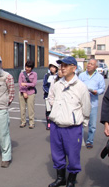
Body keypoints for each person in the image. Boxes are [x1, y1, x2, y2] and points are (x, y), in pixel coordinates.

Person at [48, 56, 91, 187]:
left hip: (72, 128)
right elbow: (51, 97)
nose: (62, 67)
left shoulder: (81, 87)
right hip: (56, 125)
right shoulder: (56, 84)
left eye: (66, 65)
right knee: (57, 154)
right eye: (61, 65)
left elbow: (86, 108)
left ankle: (71, 180)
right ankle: (61, 178)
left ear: (74, 67)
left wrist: (81, 123)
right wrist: (55, 110)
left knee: (73, 156)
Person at [79, 59, 105, 149]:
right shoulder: (81, 75)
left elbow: (102, 89)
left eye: (92, 64)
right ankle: (79, 140)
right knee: (80, 122)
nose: (89, 65)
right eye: (88, 63)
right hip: (82, 103)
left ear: (96, 67)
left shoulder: (100, 77)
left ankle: (90, 141)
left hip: (93, 103)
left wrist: (96, 92)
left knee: (92, 125)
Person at [18, 60, 37, 129]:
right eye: (26, 67)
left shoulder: (34, 74)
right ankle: (23, 122)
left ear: (32, 68)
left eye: (29, 67)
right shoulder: (22, 74)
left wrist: (26, 84)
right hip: (22, 92)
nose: (27, 69)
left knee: (30, 109)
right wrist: (24, 92)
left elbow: (34, 84)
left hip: (31, 93)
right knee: (22, 108)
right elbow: (20, 84)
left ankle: (31, 123)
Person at [43, 62, 58, 130]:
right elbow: (44, 86)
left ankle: (55, 123)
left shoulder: (58, 76)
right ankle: (48, 123)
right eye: (51, 67)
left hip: (57, 96)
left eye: (54, 67)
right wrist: (49, 93)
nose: (52, 69)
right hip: (47, 96)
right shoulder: (47, 75)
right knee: (48, 110)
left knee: (56, 110)